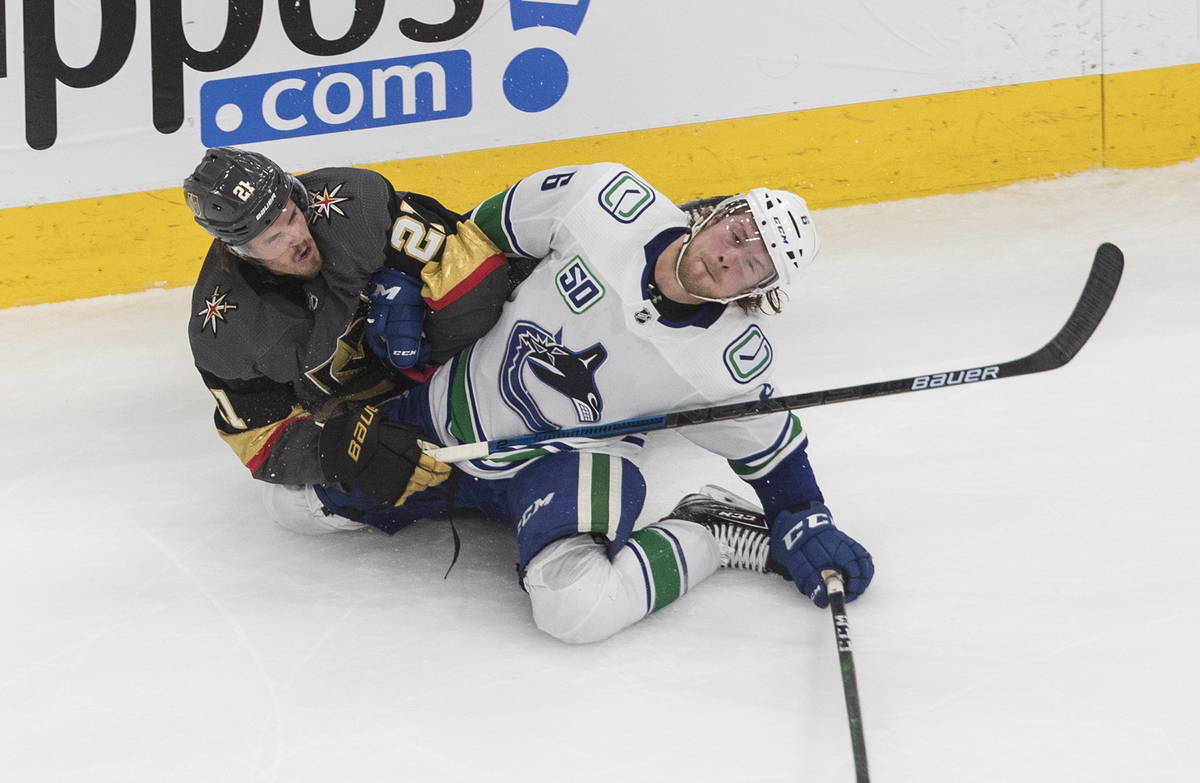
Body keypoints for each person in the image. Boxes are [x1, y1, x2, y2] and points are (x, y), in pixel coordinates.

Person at [271, 161, 875, 643]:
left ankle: (707, 532)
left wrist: (802, 518)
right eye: (737, 233)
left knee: (576, 609)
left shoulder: (726, 360)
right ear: (720, 212)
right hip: (443, 420)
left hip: (566, 462)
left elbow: (772, 455)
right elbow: (473, 233)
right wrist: (403, 278)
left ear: (759, 292)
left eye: (753, 265)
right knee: (292, 506)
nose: (728, 256)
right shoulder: (602, 199)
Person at [183, 146, 511, 531]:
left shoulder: (354, 203)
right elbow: (261, 441)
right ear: (240, 251)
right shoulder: (225, 332)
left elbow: (482, 277)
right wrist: (345, 450)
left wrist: (428, 327)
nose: (296, 237)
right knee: (286, 506)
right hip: (372, 415)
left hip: (462, 366)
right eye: (272, 239)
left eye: (291, 214)